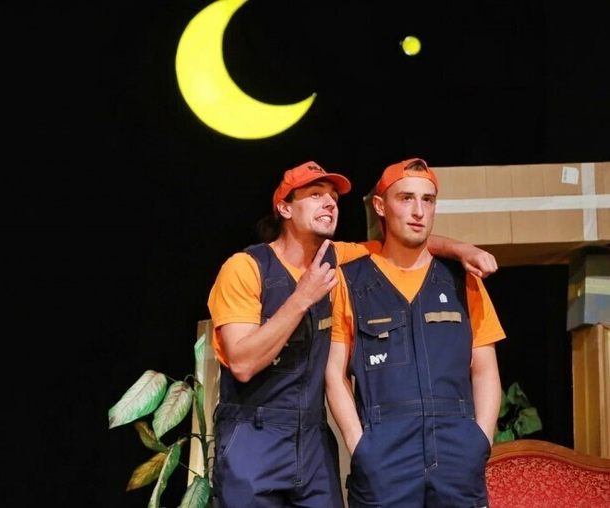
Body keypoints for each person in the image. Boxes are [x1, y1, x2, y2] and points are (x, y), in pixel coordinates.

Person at [207, 160, 498, 508]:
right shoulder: (245, 267)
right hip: (254, 433)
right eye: (316, 195)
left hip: (312, 439)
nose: (329, 203)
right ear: (284, 208)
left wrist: (462, 249)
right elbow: (242, 364)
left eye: (333, 197)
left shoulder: (337, 258)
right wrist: (302, 298)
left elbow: (406, 240)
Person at [325, 157, 505, 507]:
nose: (419, 211)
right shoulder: (352, 281)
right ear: (381, 206)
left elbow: (485, 369)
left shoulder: (462, 280)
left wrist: (479, 440)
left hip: (457, 454)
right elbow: (334, 372)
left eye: (428, 200)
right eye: (406, 198)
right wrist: (360, 446)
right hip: (384, 458)